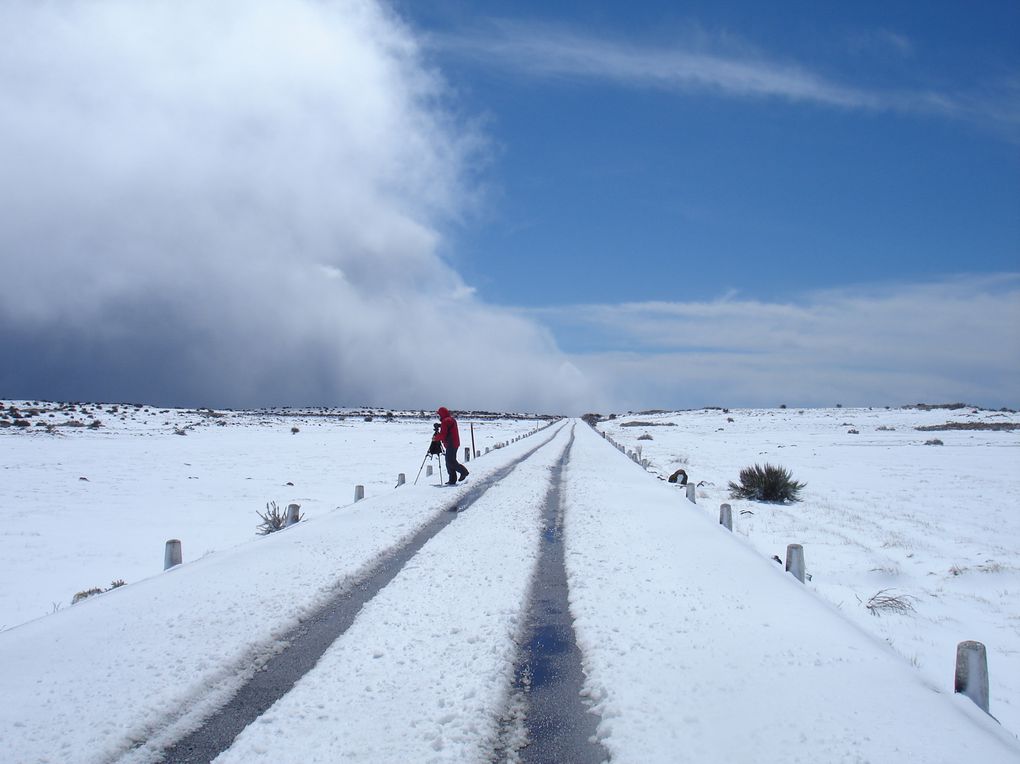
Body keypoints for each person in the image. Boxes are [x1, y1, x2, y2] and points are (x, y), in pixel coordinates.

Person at [434, 406, 469, 485]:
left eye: (439, 414)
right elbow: (447, 427)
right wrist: (440, 425)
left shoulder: (446, 421)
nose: (439, 416)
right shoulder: (449, 419)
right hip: (453, 443)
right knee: (449, 461)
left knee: (450, 461)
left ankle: (463, 472)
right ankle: (452, 480)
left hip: (451, 443)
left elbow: (443, 434)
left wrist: (435, 438)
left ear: (442, 414)